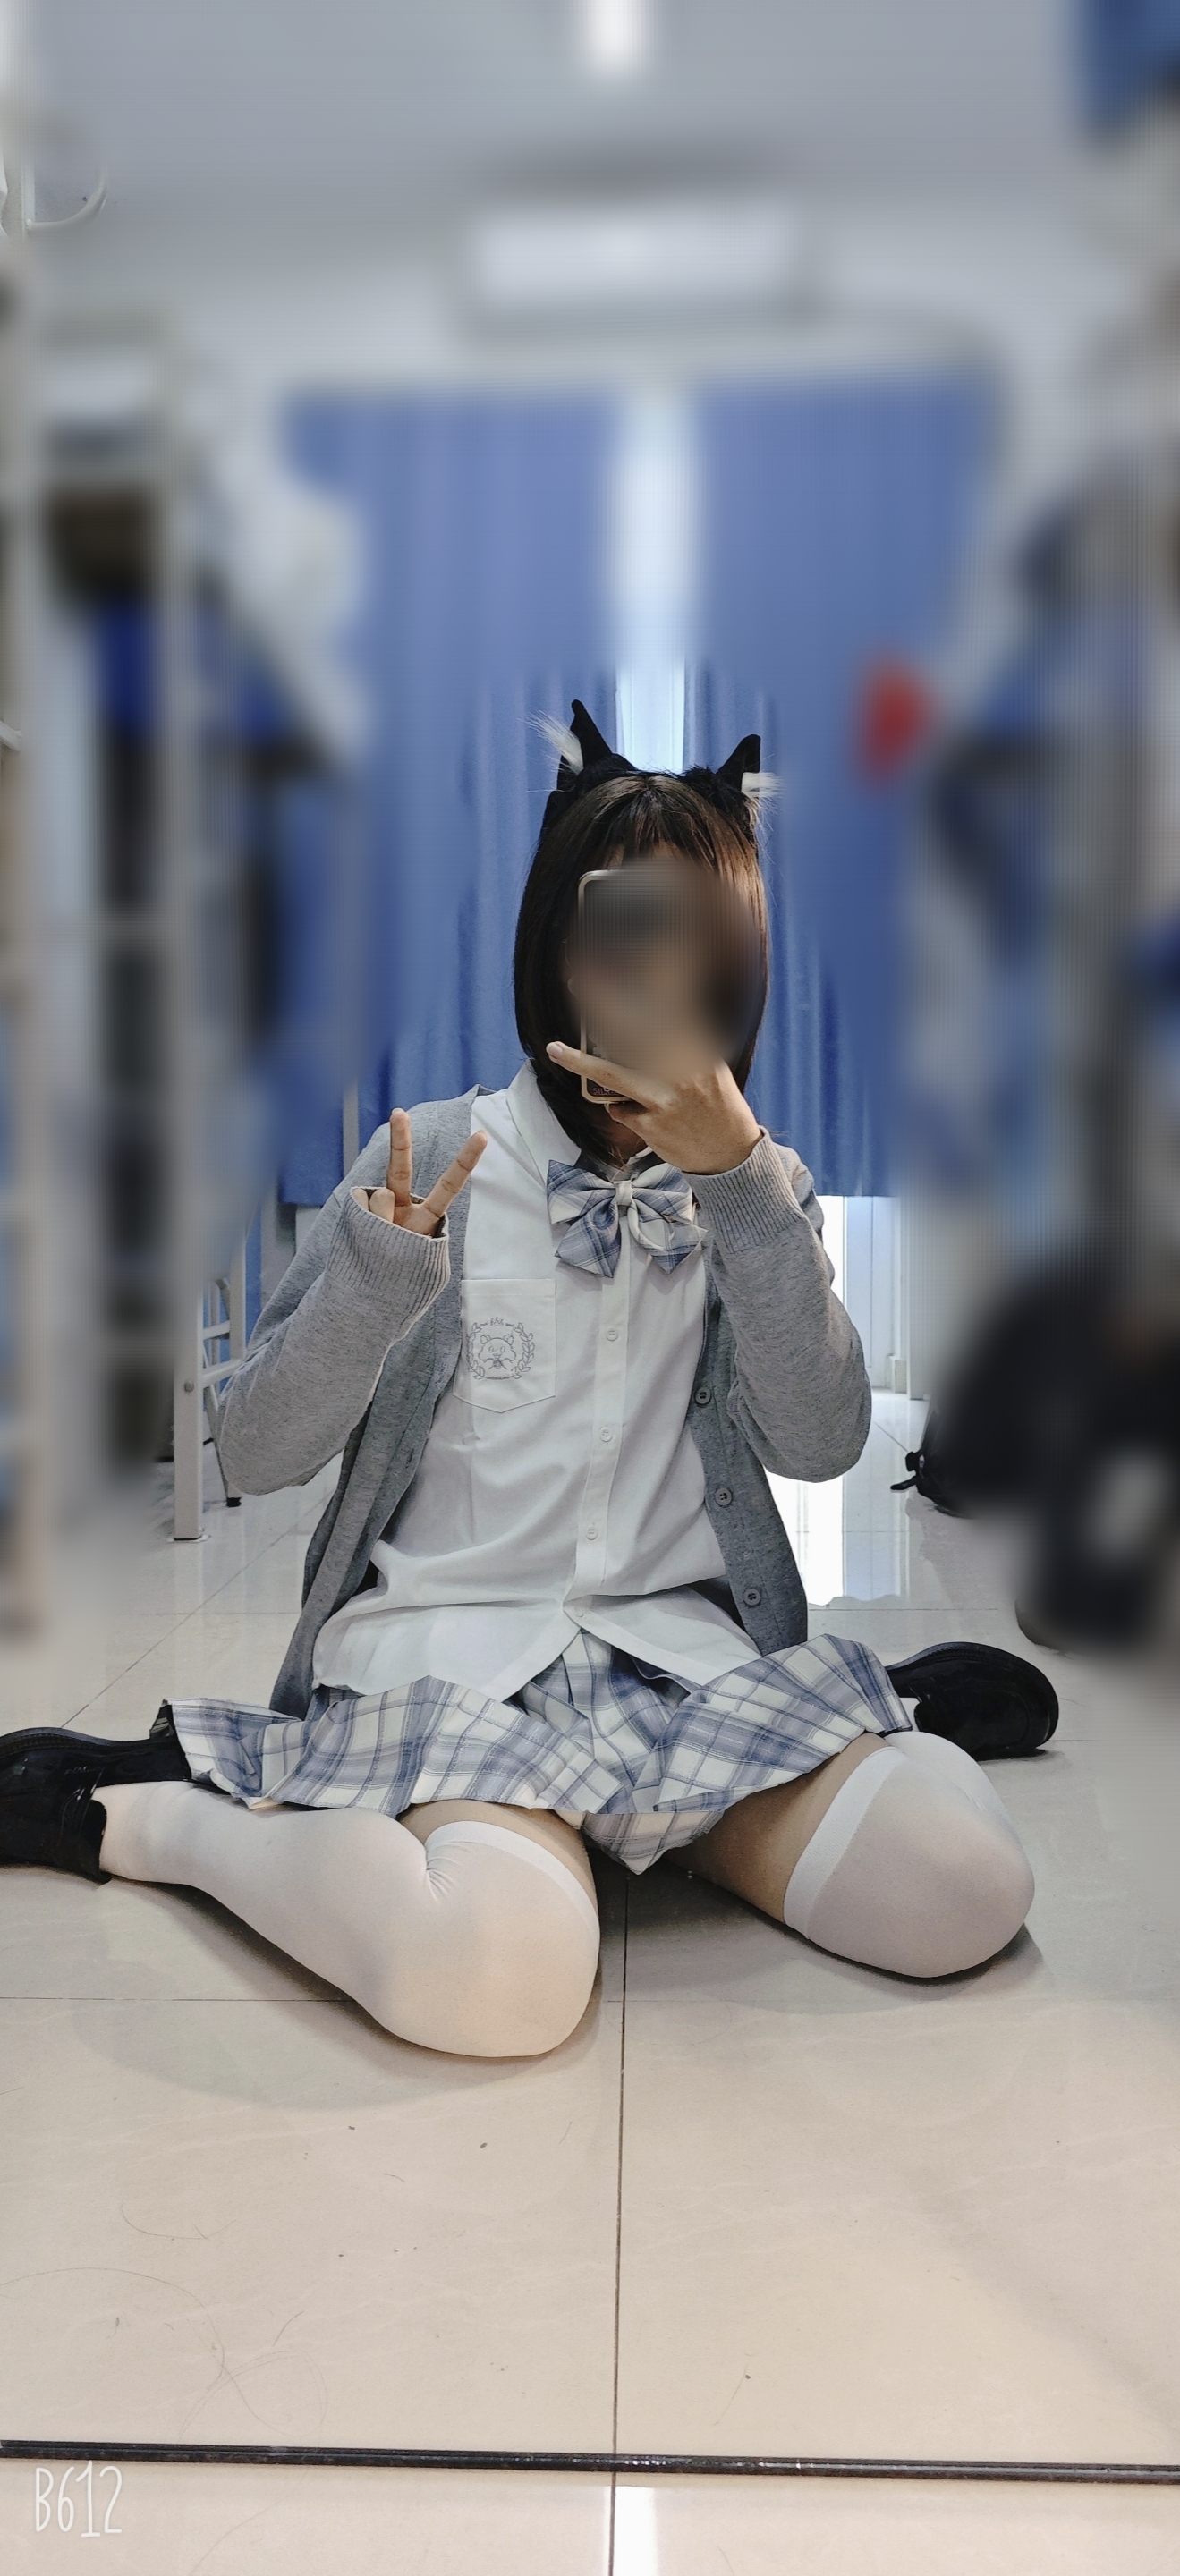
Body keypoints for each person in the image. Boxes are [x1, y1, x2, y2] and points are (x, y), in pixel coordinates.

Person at [0, 703, 1033, 2058]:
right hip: (453, 1663)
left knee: (968, 1890)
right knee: (499, 1985)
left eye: (695, 936)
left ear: (739, 965)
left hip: (677, 1658)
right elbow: (254, 1452)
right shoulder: (430, 1158)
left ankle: (754, 1775)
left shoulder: (761, 1188)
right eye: (620, 925)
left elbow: (823, 1441)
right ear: (555, 945)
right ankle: (154, 1816)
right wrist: (376, 1279)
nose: (652, 970)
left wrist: (740, 1193)